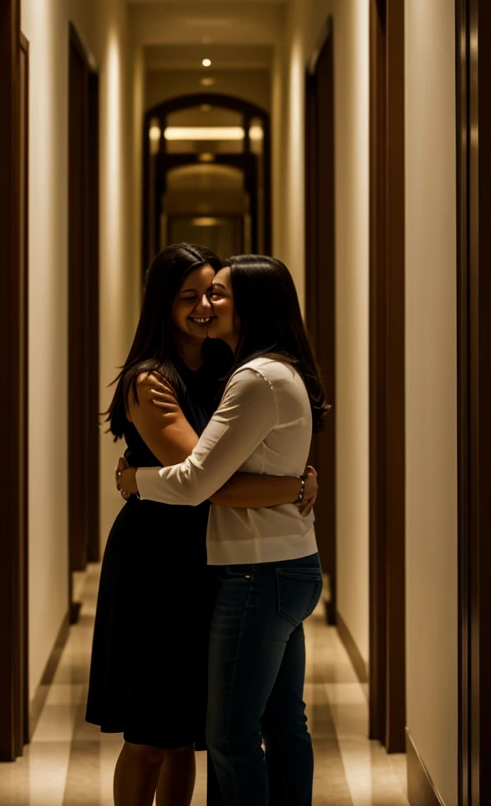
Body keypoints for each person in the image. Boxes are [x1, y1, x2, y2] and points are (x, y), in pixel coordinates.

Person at [86, 244, 317, 806]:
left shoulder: (233, 370)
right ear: (162, 304)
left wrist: (293, 478)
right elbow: (201, 485)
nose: (203, 307)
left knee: (190, 732)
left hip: (217, 557)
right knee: (152, 731)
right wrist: (292, 487)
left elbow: (234, 467)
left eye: (213, 293)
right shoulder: (151, 380)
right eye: (188, 296)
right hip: (159, 560)